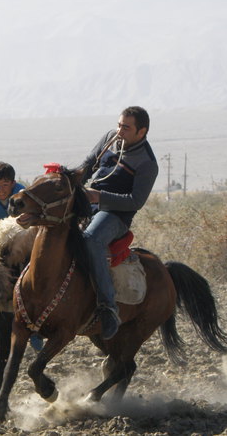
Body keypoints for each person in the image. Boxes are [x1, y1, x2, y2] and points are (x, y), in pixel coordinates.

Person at [80, 106, 158, 340]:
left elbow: (136, 201)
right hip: (89, 202)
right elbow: (87, 165)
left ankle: (107, 308)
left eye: (126, 127)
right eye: (119, 124)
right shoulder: (109, 139)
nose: (119, 130)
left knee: (91, 240)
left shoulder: (147, 163)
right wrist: (64, 181)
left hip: (115, 215)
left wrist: (98, 197)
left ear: (141, 131)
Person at [0, 162, 43, 351]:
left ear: (13, 183)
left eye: (5, 185)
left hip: (27, 243)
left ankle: (36, 329)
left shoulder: (23, 195)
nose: (1, 190)